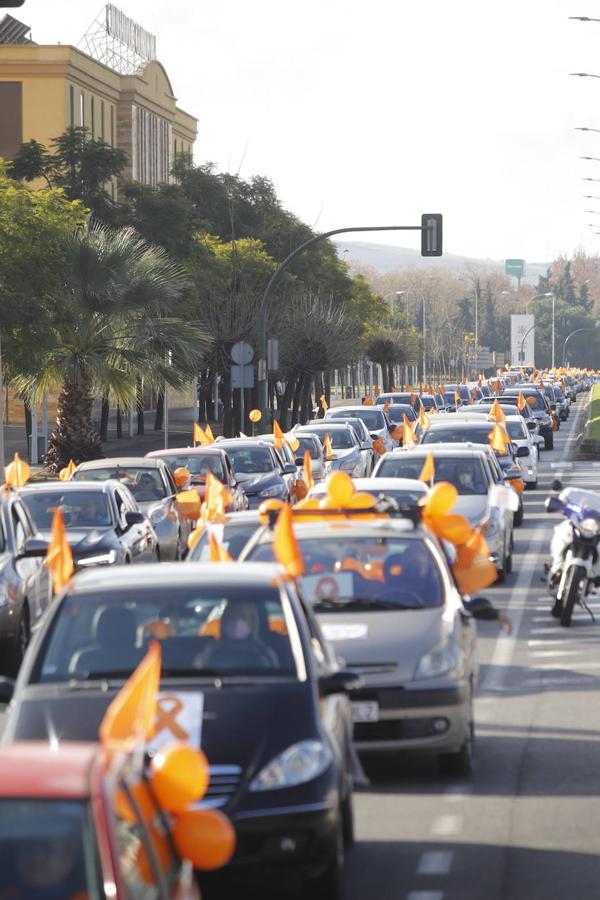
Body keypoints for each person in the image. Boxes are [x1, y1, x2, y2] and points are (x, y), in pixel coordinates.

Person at [0, 835, 88, 899]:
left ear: (68, 859)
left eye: (48, 849)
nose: (36, 858)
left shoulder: (88, 897)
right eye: (29, 848)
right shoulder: (5, 896)